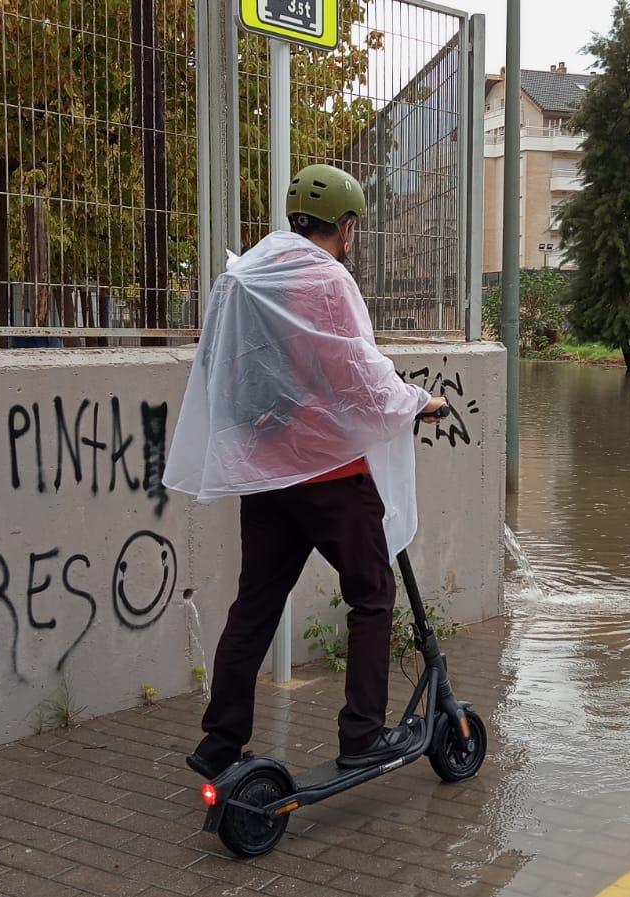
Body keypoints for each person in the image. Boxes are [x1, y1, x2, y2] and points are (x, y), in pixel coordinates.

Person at [164, 163, 449, 777]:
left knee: (255, 606)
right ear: (344, 226)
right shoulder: (327, 280)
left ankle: (219, 742)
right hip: (329, 476)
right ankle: (362, 735)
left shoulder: (245, 275)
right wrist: (418, 401)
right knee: (372, 595)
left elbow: (222, 371)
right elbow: (359, 378)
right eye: (354, 227)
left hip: (266, 476)